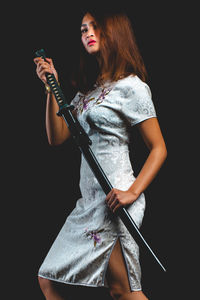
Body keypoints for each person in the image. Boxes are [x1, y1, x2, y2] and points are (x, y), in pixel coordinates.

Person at [34, 8, 167, 300]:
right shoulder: (86, 93)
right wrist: (49, 87)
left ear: (115, 32)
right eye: (83, 29)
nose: (88, 33)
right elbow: (57, 137)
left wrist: (132, 192)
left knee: (124, 291)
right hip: (88, 203)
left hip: (116, 198)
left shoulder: (132, 88)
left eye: (96, 27)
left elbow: (159, 148)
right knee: (49, 279)